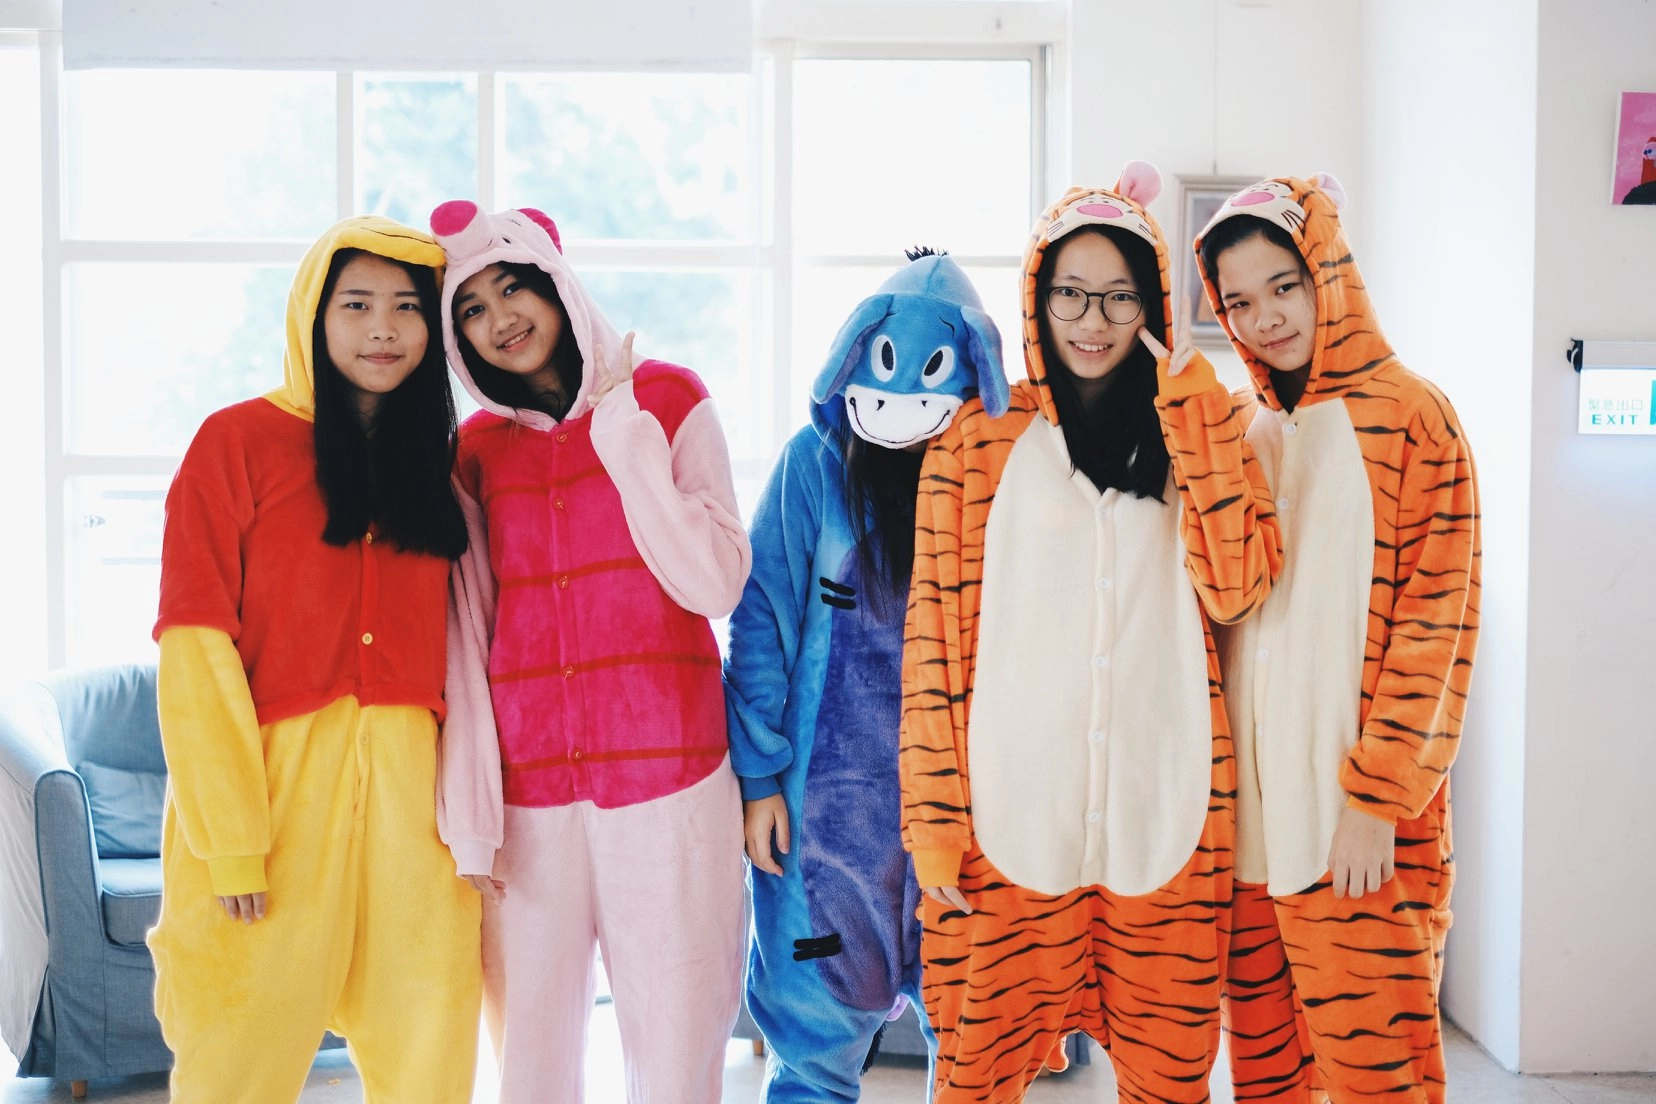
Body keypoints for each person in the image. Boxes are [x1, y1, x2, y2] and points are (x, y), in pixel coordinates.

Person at [898, 162, 1283, 1103]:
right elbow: (932, 642)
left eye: (1119, 296)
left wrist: (1195, 414)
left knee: (1168, 1083)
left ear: (1152, 306)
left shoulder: (1207, 428)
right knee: (975, 1076)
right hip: (1007, 827)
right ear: (1038, 297)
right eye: (1070, 292)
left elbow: (1238, 590)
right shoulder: (977, 441)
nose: (1093, 320)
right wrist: (934, 824)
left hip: (1167, 819)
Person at [148, 216, 481, 1103]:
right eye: (357, 305)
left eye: (407, 308)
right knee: (238, 1053)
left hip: (415, 805)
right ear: (312, 314)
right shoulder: (234, 443)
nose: (384, 329)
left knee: (432, 1038)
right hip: (272, 793)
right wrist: (233, 843)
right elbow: (194, 649)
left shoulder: (437, 465)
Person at [430, 200, 750, 1103]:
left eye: (513, 288)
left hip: (670, 776)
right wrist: (473, 808)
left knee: (678, 1032)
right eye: (471, 309)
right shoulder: (475, 452)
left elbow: (716, 584)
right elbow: (470, 632)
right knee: (530, 1053)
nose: (500, 319)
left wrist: (624, 436)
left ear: (556, 283)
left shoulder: (669, 399)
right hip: (530, 794)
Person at [1194, 174, 1480, 1104]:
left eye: (1284, 285)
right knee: (1268, 1079)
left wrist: (1377, 800)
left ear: (1328, 272)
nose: (1265, 318)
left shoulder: (1414, 416)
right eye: (1240, 301)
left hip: (1359, 824)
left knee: (1379, 1075)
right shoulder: (1245, 427)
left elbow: (1436, 625)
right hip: (1251, 831)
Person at [725, 247, 1008, 1101]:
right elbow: (762, 620)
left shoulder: (993, 475)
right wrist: (759, 779)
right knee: (812, 1043)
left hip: (967, 815)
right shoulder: (814, 464)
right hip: (824, 814)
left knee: (975, 1048)